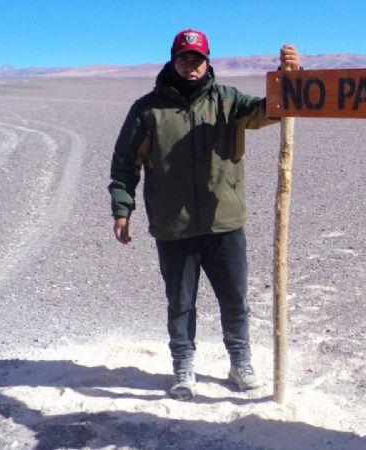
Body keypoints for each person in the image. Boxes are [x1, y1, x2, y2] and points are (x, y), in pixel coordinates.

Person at [108, 29, 300, 401]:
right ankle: (183, 367)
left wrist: (287, 76)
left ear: (208, 61)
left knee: (235, 299)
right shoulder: (147, 110)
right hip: (174, 227)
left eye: (197, 59)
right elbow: (125, 162)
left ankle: (240, 362)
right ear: (173, 61)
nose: (191, 66)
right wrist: (122, 208)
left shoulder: (228, 101)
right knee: (181, 304)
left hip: (223, 223)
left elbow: (270, 110)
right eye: (184, 59)